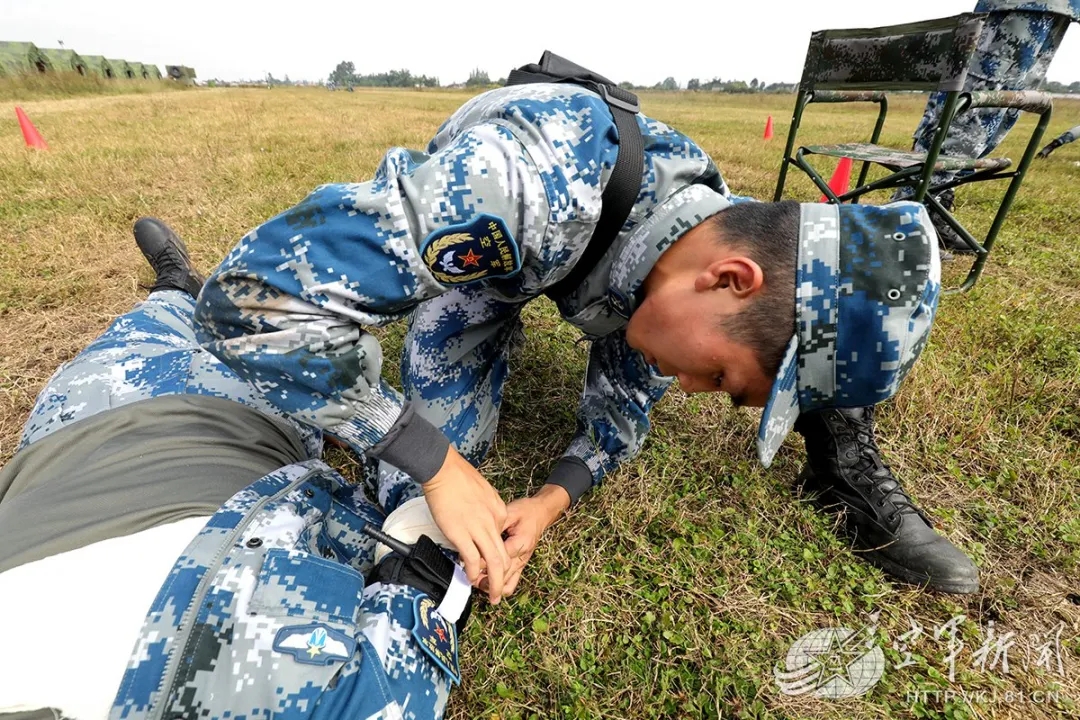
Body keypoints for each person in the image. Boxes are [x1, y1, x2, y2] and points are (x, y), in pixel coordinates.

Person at [191, 76, 977, 596]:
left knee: (454, 474)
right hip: (506, 244)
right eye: (726, 380)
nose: (692, 392)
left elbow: (620, 418)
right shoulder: (521, 185)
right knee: (418, 466)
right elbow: (254, 300)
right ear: (731, 279)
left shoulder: (690, 255)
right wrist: (430, 459)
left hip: (570, 256)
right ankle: (165, 289)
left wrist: (548, 500)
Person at [0, 219, 470, 720]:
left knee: (146, 327)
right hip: (248, 427)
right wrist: (433, 493)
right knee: (265, 349)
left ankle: (176, 285)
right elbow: (418, 585)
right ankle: (192, 294)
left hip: (82, 426)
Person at [905, 0, 1079, 251]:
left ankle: (935, 202)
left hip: (1060, 8)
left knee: (1005, 107)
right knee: (978, 101)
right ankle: (911, 213)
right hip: (1019, 6)